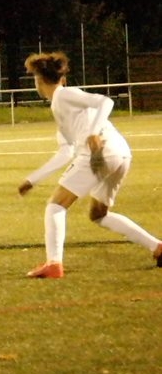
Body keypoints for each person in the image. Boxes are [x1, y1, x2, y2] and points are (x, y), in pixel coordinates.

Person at [17, 52, 162, 278]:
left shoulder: (63, 95)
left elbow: (106, 101)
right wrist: (32, 179)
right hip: (120, 153)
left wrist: (93, 133)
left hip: (101, 152)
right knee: (98, 214)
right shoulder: (61, 107)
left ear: (39, 80)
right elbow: (66, 151)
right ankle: (157, 247)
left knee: (55, 206)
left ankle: (54, 264)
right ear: (62, 77)